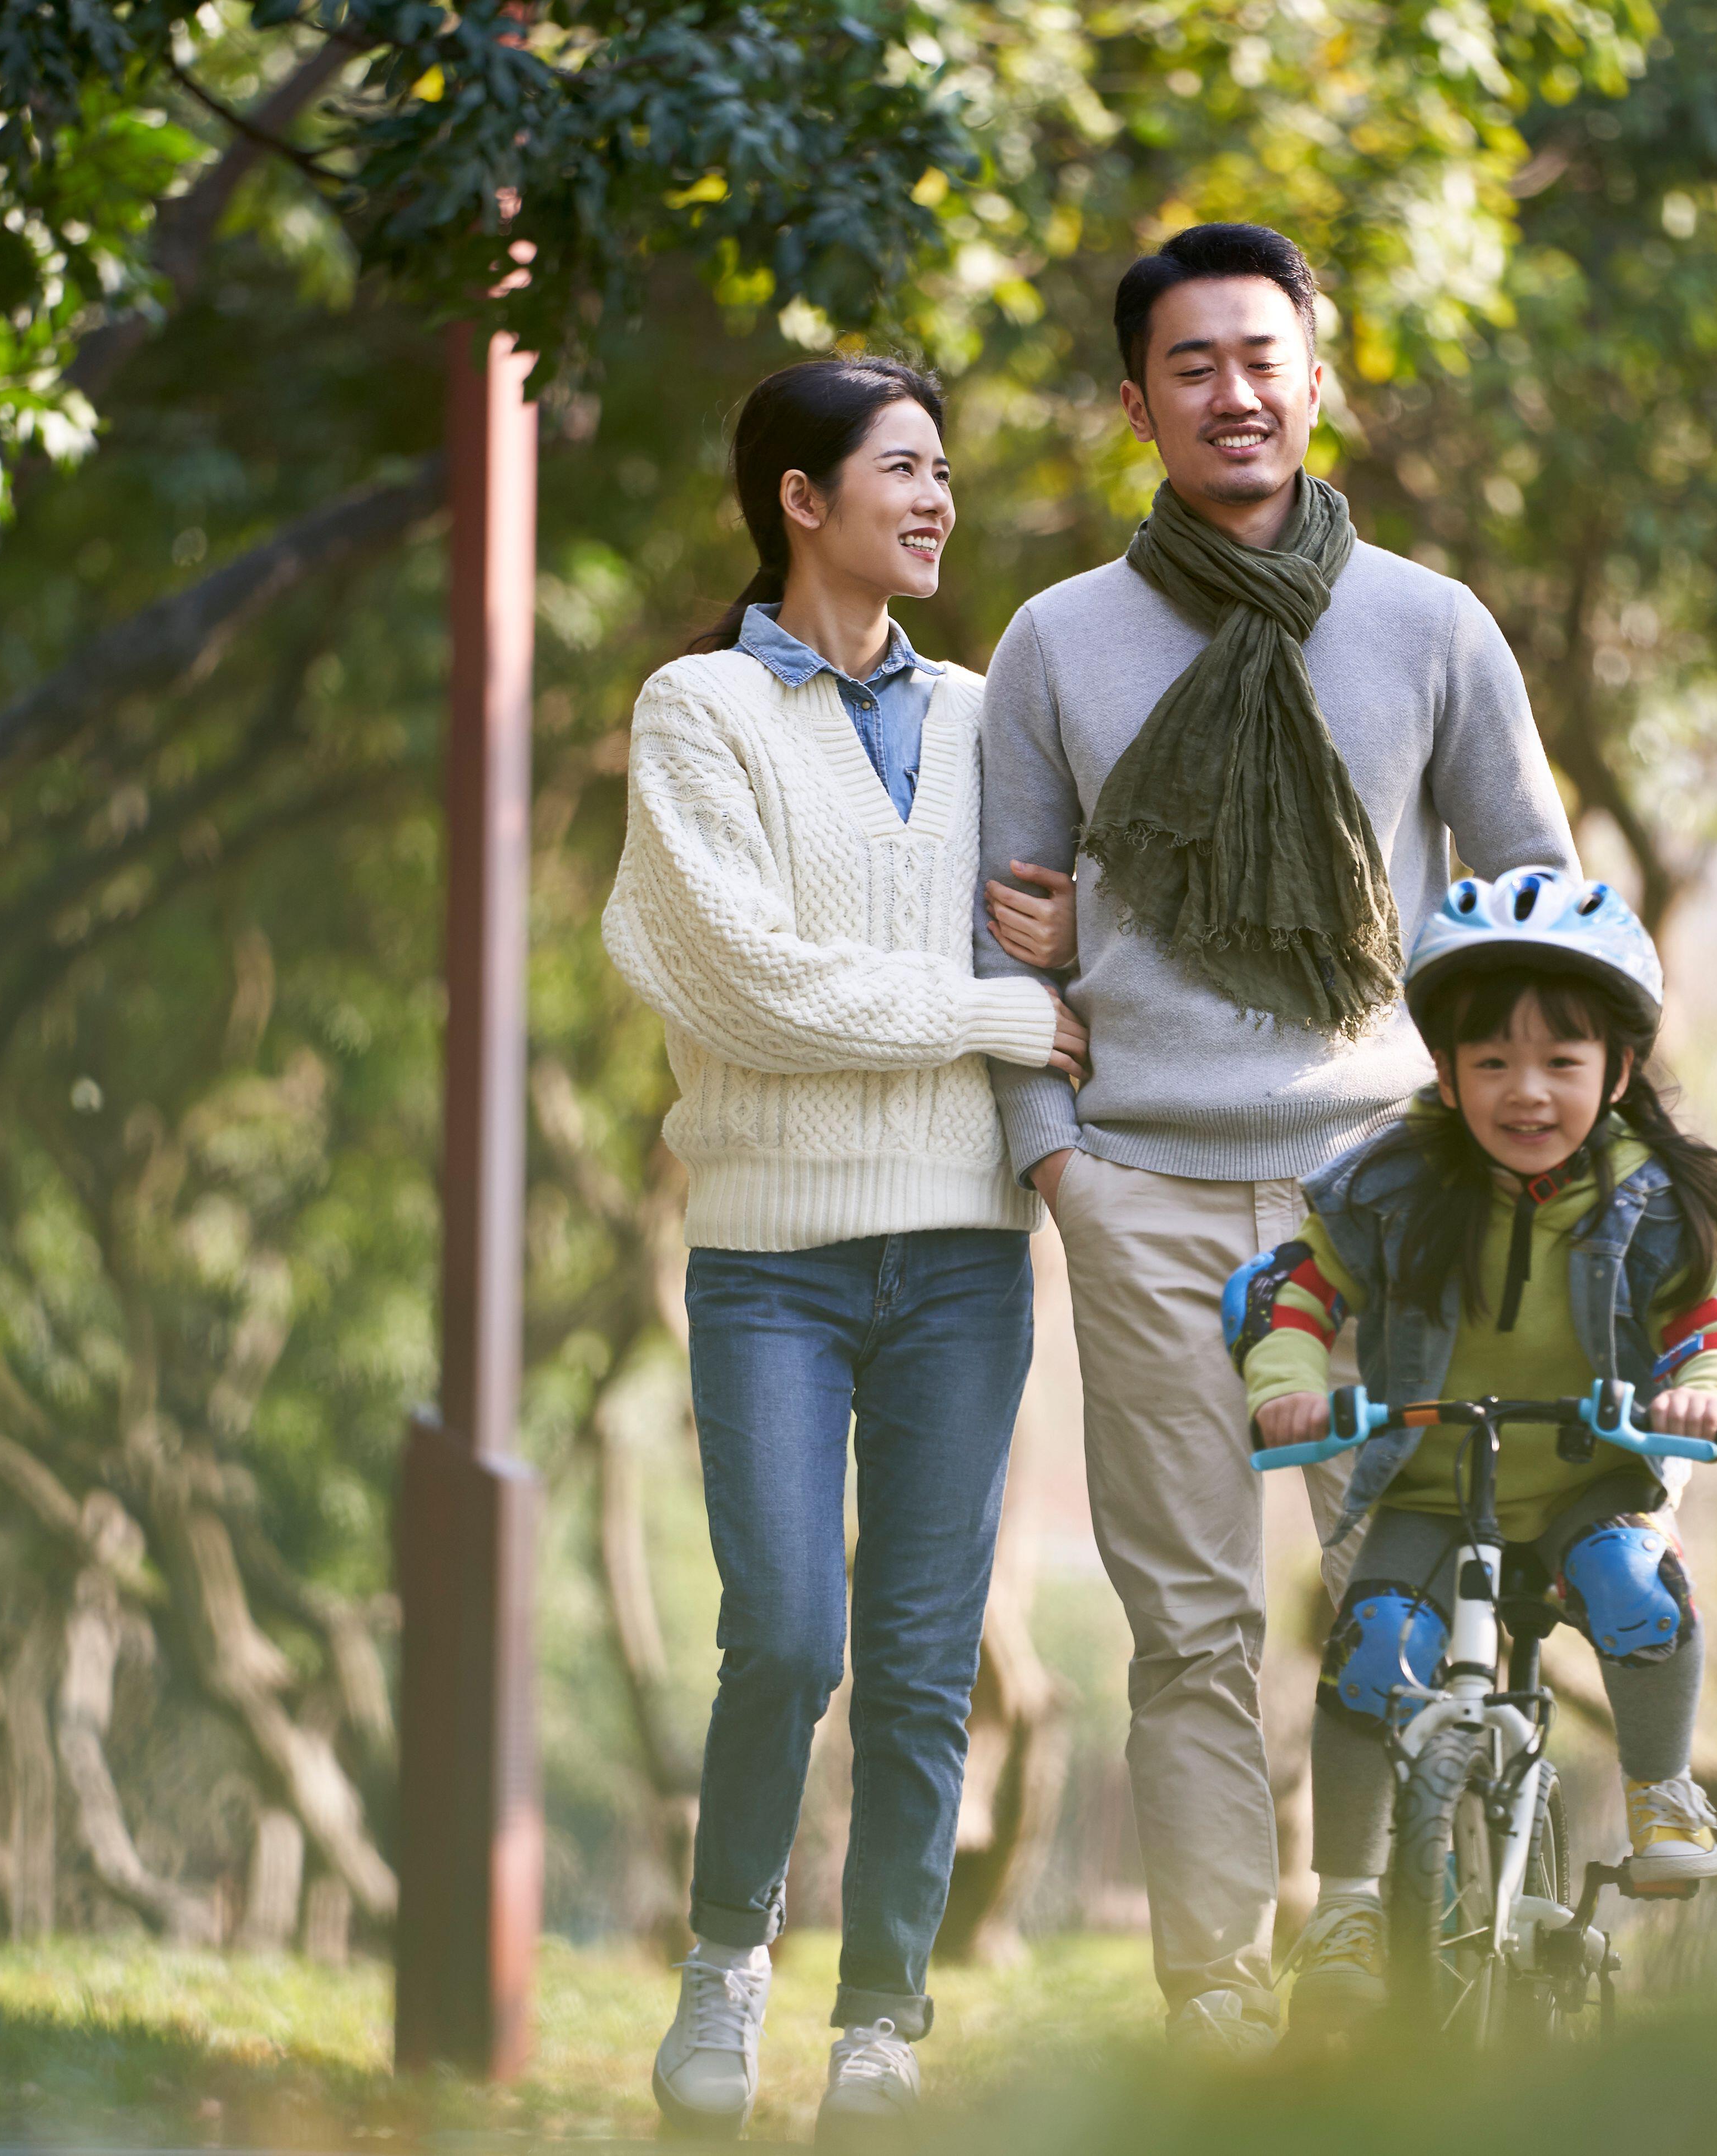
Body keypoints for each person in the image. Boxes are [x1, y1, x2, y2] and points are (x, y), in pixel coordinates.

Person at [974, 222, 1575, 2056]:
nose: (1232, 392)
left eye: (1262, 357)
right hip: (1140, 1185)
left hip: (1376, 1186)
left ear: (1319, 378)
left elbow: (1534, 896)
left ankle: (1368, 1934)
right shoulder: (1058, 640)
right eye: (1189, 366)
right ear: (1136, 402)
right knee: (1189, 1625)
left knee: (1386, 1590)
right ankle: (1217, 1991)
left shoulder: (1430, 625)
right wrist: (1052, 1159)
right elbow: (989, 939)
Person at [602, 355, 1085, 2142]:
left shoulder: (987, 712)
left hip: (964, 1252)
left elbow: (1069, 928)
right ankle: (728, 1964)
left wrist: (1057, 951)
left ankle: (879, 2022)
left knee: (919, 1654)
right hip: (772, 1257)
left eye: (944, 469)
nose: (940, 499)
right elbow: (746, 983)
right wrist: (995, 1012)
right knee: (787, 1635)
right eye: (903, 468)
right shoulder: (699, 711)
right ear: (801, 500)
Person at [1228, 868, 1717, 2033]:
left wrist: (1707, 1398)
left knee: (1641, 1585)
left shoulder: (1655, 1203)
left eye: (1562, 1064)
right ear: (1447, 1071)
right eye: (1492, 1063)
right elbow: (1291, 1295)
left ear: (1618, 1073)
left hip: (1588, 1485)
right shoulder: (1396, 1182)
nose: (1526, 1092)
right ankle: (1351, 1901)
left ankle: (1661, 1789)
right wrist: (1283, 1387)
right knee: (1371, 1646)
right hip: (1433, 1485)